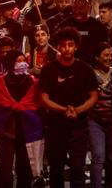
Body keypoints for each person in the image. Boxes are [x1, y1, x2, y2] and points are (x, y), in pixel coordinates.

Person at [38, 27, 98, 188]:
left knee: (78, 168)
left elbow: (94, 96)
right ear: (57, 47)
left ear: (76, 46)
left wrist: (78, 110)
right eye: (63, 45)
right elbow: (43, 98)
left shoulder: (85, 69)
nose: (66, 49)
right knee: (56, 170)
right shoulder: (48, 70)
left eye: (70, 45)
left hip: (79, 126)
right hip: (55, 126)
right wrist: (63, 110)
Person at [0, 49, 42, 188]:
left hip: (26, 132)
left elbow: (37, 105)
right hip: (5, 133)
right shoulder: (0, 83)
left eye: (24, 61)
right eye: (18, 61)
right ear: (10, 64)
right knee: (5, 172)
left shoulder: (32, 83)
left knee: (25, 171)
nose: (22, 64)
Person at [88, 42, 112, 188]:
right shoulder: (90, 75)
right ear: (97, 57)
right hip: (95, 121)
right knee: (98, 157)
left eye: (111, 55)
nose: (109, 58)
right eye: (106, 55)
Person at [59, 0, 108, 64]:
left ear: (88, 8)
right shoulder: (65, 25)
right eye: (74, 8)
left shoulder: (98, 26)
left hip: (93, 66)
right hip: (69, 64)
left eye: (80, 8)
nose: (77, 11)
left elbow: (105, 49)